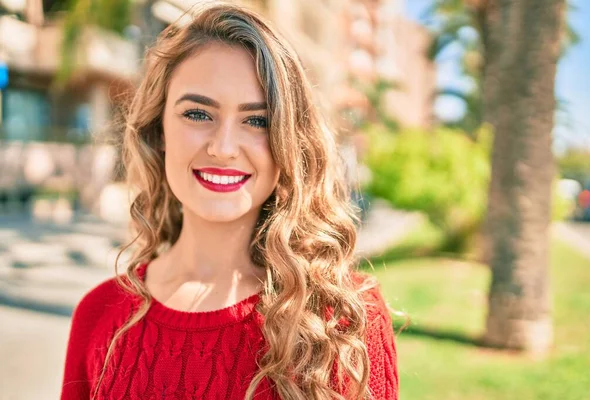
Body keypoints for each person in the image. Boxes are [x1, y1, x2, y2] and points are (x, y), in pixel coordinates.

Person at [60, 2, 398, 399]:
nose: (223, 147)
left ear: (289, 143)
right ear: (160, 129)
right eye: (198, 114)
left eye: (257, 120)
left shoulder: (344, 320)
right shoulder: (98, 314)